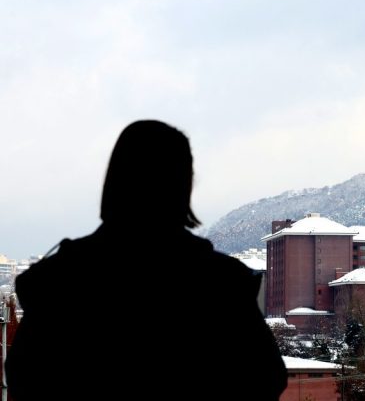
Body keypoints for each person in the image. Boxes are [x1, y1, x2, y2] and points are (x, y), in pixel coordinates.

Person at [6, 120, 287, 401]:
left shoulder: (58, 280)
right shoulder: (220, 283)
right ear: (183, 185)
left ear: (114, 180)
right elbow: (266, 378)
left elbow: (25, 378)